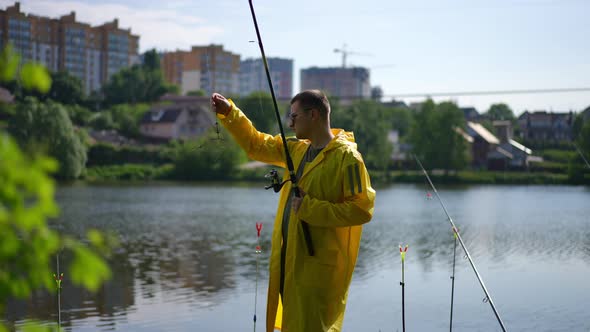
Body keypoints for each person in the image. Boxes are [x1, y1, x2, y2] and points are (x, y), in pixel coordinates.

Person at [211, 90, 375, 332]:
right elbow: (257, 144)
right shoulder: (295, 151)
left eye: (294, 116)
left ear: (313, 115)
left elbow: (361, 209)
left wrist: (311, 208)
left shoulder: (348, 158)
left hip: (318, 268)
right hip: (289, 264)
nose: (290, 122)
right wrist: (230, 113)